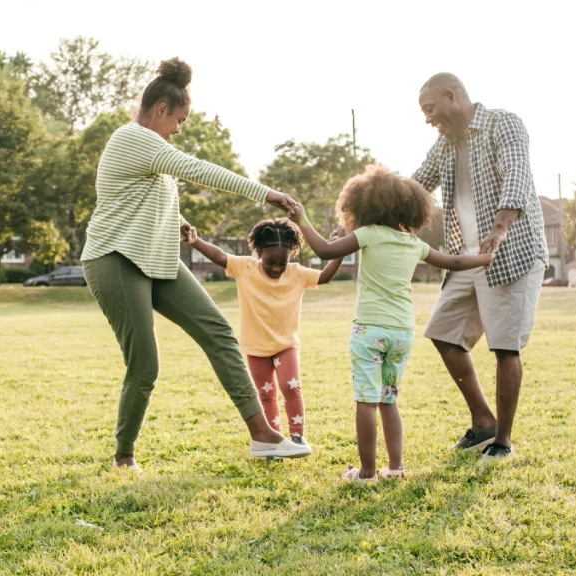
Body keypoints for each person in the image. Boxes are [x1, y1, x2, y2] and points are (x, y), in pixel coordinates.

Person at [80, 57, 310, 471]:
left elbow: (143, 197)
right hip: (114, 257)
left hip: (154, 258)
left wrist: (181, 222)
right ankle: (124, 455)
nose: (179, 129)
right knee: (145, 363)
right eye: (180, 120)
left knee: (218, 331)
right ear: (162, 109)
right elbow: (196, 168)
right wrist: (265, 193)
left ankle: (263, 435)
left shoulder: (152, 150)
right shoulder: (132, 138)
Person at [288, 164, 494, 484]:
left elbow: (324, 250)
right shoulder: (412, 242)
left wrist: (301, 219)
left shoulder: (368, 234)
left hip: (370, 330)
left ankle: (367, 472)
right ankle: (395, 468)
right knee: (388, 398)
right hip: (402, 333)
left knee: (366, 402)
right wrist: (484, 258)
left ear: (362, 206)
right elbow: (453, 263)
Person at [412, 73, 548, 462]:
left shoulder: (502, 123)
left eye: (430, 109)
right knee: (443, 332)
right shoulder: (445, 144)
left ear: (451, 96)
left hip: (511, 251)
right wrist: (366, 215)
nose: (427, 119)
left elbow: (516, 175)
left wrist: (501, 228)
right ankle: (483, 420)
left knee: (505, 347)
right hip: (466, 256)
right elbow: (415, 187)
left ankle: (502, 440)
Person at [182, 217, 344, 448]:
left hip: (286, 343)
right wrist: (196, 241)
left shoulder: (297, 273)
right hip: (256, 347)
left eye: (282, 263)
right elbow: (219, 256)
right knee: (265, 394)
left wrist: (339, 253)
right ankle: (274, 437)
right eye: (270, 262)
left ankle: (297, 435)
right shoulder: (246, 268)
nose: (277, 268)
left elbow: (325, 276)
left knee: (291, 386)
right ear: (258, 252)